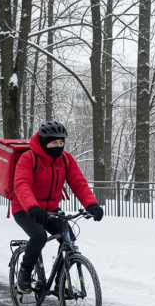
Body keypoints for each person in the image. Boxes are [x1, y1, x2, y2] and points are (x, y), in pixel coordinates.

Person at [12, 121, 104, 292]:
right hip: (25, 208)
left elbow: (79, 183)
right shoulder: (29, 158)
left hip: (51, 209)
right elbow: (21, 184)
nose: (58, 146)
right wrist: (32, 207)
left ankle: (62, 283)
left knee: (69, 238)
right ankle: (24, 273)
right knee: (39, 236)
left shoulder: (65, 160)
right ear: (44, 141)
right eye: (54, 142)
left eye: (61, 142)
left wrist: (91, 204)